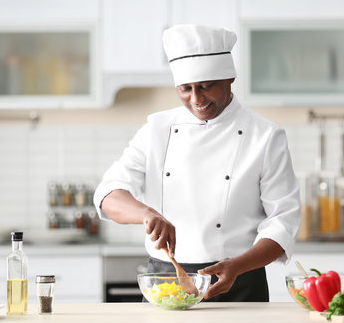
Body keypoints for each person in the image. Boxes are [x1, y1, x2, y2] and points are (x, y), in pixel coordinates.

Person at [93, 24, 300, 302]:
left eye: (205, 86)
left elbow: (283, 221)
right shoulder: (157, 129)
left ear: (229, 78)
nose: (196, 99)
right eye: (185, 89)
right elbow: (108, 193)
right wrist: (146, 213)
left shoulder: (265, 136)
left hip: (240, 281)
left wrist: (237, 265)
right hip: (165, 281)